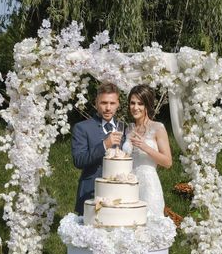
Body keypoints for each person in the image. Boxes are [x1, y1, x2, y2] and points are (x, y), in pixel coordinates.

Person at [71, 82, 124, 214]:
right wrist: (105, 145)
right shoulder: (82, 128)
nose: (108, 108)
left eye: (112, 103)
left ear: (118, 104)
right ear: (96, 103)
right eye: (103, 103)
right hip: (91, 192)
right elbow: (79, 160)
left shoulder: (124, 128)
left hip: (119, 193)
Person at [122, 84, 172, 217]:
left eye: (140, 103)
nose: (135, 107)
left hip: (149, 185)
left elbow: (168, 162)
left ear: (147, 106)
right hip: (129, 184)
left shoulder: (158, 128)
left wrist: (145, 147)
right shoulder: (128, 129)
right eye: (132, 103)